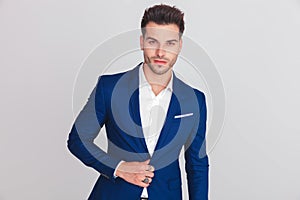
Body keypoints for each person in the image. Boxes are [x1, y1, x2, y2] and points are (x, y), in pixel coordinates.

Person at [67, 4, 209, 200]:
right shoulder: (109, 87)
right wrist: (118, 167)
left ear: (179, 45)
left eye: (169, 43)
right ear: (142, 42)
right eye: (153, 42)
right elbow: (77, 140)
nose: (160, 52)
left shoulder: (195, 100)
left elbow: (197, 164)